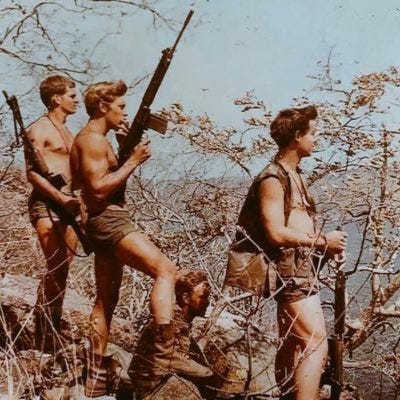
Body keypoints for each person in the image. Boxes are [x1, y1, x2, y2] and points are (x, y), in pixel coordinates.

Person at [70, 81, 212, 397]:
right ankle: (165, 353)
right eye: (120, 106)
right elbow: (97, 189)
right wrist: (133, 160)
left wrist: (125, 149)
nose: (125, 112)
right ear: (103, 107)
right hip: (109, 220)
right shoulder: (92, 140)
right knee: (166, 271)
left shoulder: (94, 139)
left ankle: (95, 376)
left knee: (106, 301)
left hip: (101, 221)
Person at [228, 106, 347, 400]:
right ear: (297, 135)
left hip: (303, 268)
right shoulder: (272, 178)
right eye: (312, 133)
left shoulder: (296, 175)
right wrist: (323, 241)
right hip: (288, 271)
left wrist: (327, 250)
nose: (316, 139)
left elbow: (298, 224)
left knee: (292, 343)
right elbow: (276, 233)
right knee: (315, 343)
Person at [26, 75, 80, 354]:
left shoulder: (69, 132)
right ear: (56, 98)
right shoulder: (38, 129)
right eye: (72, 95)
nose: (77, 100)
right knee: (55, 266)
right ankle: (43, 336)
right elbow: (32, 174)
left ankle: (51, 330)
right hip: (47, 204)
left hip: (70, 206)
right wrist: (60, 198)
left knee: (63, 270)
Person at [129, 269, 212, 399]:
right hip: (148, 390)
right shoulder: (170, 321)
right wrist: (211, 375)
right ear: (186, 298)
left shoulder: (178, 319)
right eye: (203, 297)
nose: (207, 302)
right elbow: (176, 360)